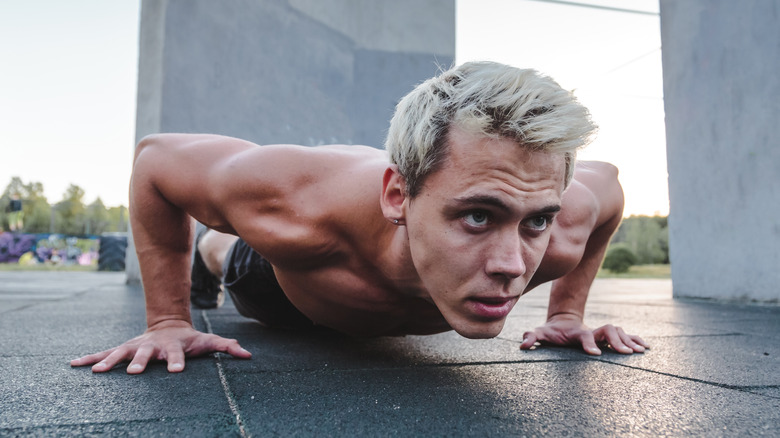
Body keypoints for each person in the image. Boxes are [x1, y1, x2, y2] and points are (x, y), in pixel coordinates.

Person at [71, 61, 648, 374]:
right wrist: (168, 320)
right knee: (230, 253)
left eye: (535, 221)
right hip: (284, 282)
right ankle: (213, 254)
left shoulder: (561, 221)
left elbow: (611, 186)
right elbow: (155, 160)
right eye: (476, 217)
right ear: (398, 196)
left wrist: (568, 312)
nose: (511, 267)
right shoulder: (295, 208)